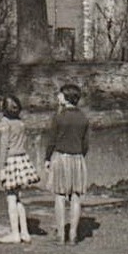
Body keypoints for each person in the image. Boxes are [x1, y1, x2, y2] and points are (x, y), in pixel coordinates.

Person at [44, 83, 90, 245]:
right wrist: (79, 155)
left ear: (66, 97)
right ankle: (73, 234)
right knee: (76, 196)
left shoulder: (59, 117)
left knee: (59, 196)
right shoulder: (83, 118)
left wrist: (47, 158)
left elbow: (52, 140)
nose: (58, 96)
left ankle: (61, 235)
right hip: (77, 159)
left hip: (61, 158)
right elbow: (86, 144)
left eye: (60, 94)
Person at [0, 95, 40, 243]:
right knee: (18, 198)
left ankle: (15, 233)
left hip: (10, 161)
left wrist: (1, 168)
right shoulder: (20, 123)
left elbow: (4, 147)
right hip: (22, 159)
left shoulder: (5, 123)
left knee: (10, 198)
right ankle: (25, 232)